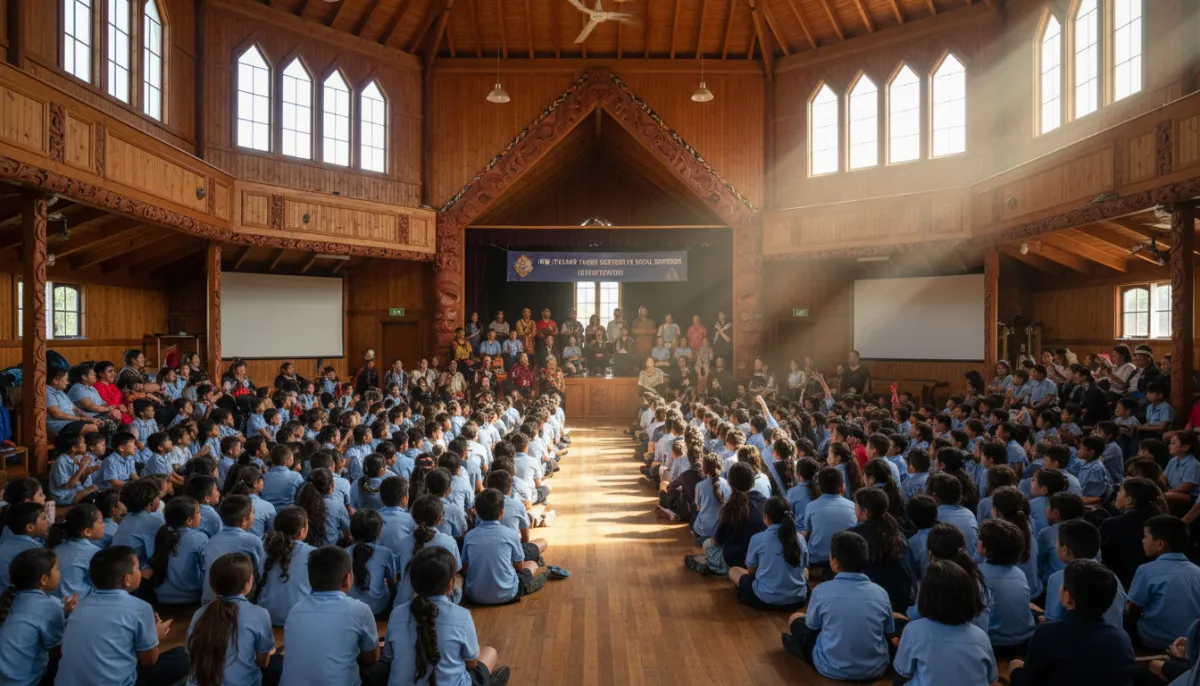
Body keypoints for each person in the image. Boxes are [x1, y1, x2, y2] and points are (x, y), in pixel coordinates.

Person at [55, 545, 187, 686]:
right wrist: (155, 636)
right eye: (137, 568)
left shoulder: (79, 607)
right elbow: (149, 662)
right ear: (127, 579)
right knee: (183, 657)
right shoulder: (140, 608)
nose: (140, 571)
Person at [386, 546, 511, 686]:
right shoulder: (462, 616)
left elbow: (390, 656)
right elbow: (471, 663)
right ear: (450, 583)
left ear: (413, 583)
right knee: (490, 653)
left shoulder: (396, 614)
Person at [780, 531, 894, 682]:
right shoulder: (881, 593)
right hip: (876, 668)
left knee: (795, 618)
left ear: (834, 561)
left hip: (830, 667)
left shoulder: (821, 591)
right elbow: (888, 631)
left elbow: (812, 626)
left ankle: (801, 649)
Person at [1008, 560, 1136, 686]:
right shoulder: (1121, 639)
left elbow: (1030, 680)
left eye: (1063, 585)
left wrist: (1016, 670)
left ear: (1068, 597)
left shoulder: (1047, 634)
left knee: (1015, 664)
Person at [279, 546, 381, 686]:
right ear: (348, 578)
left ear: (309, 579)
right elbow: (372, 657)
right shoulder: (360, 610)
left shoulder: (295, 611)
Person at [892, 560, 997, 686]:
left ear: (925, 596)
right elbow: (991, 677)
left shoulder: (913, 630)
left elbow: (903, 672)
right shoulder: (980, 637)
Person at [185, 552, 275, 686]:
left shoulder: (200, 613)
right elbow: (263, 662)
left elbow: (191, 653)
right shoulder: (259, 614)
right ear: (248, 583)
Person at [462, 489, 547, 604]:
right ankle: (531, 582)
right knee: (532, 564)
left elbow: (466, 567)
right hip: (507, 594)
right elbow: (519, 567)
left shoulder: (469, 536)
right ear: (502, 513)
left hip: (475, 596)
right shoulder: (511, 534)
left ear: (476, 511)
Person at [1128, 515, 1200, 650]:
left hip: (1154, 639)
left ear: (1160, 544)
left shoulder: (1146, 570)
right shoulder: (1197, 572)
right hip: (1189, 643)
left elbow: (1133, 609)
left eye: (1145, 537)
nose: (1142, 541)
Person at [0, 548, 69, 686]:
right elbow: (58, 652)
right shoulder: (49, 607)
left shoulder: (10, 596)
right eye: (57, 569)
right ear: (44, 579)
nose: (59, 573)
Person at [728, 496, 808, 611]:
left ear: (766, 517)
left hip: (765, 600)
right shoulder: (800, 538)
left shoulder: (757, 539)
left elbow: (751, 571)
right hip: (798, 600)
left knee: (733, 570)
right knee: (805, 571)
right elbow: (804, 565)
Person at [1042, 519, 1127, 629]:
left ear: (1065, 550)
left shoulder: (1059, 579)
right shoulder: (1113, 578)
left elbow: (1052, 620)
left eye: (1057, 542)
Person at [977, 519, 1036, 657]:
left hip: (996, 644)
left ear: (986, 548)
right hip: (1025, 640)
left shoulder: (977, 574)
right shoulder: (1019, 573)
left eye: (980, 539)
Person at [200, 496, 265, 605]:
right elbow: (261, 572)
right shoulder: (252, 541)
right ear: (244, 520)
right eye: (253, 513)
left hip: (209, 601)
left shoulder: (212, 541)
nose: (254, 517)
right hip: (235, 602)